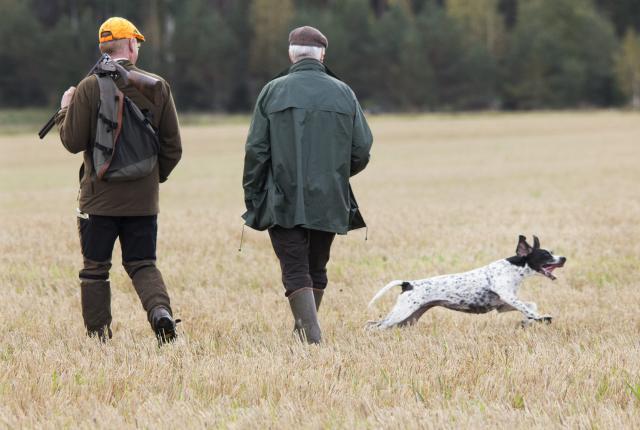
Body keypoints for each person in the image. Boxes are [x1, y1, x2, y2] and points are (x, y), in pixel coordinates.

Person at [242, 26, 373, 344]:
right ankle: (306, 336)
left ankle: (310, 338)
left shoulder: (272, 90)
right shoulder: (344, 92)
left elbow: (256, 150)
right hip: (329, 198)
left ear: (291, 53)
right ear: (322, 55)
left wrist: (253, 194)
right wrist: (334, 175)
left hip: (282, 198)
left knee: (295, 267)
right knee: (317, 265)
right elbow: (362, 149)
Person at [55, 17, 182, 343]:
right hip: (143, 200)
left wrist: (64, 108)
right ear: (129, 46)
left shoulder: (88, 87)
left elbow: (71, 142)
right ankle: (161, 315)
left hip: (98, 200)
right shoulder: (157, 85)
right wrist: (153, 178)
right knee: (143, 264)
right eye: (137, 42)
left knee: (95, 269)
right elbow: (173, 147)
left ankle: (99, 339)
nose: (137, 46)